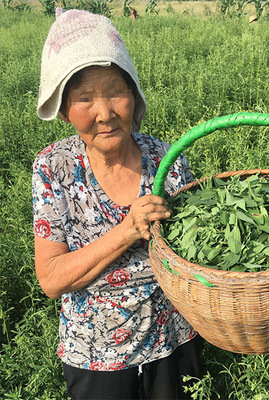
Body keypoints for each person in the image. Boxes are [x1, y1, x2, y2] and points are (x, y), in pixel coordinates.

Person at [33, 8, 202, 400]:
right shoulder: (53, 169)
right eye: (85, 98)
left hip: (174, 340)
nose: (105, 113)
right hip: (97, 354)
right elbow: (52, 278)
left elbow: (195, 251)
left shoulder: (167, 159)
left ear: (134, 95)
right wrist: (127, 230)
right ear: (63, 110)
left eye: (115, 92)